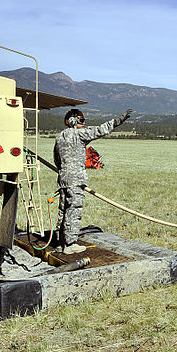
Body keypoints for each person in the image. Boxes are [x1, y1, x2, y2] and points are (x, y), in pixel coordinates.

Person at [53, 108, 132, 254]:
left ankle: (60, 242)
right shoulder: (79, 134)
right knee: (73, 211)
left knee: (63, 212)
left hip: (63, 179)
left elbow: (56, 159)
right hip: (76, 180)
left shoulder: (60, 136)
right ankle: (70, 244)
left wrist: (63, 171)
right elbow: (101, 130)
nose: (84, 124)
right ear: (73, 121)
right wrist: (118, 122)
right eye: (81, 120)